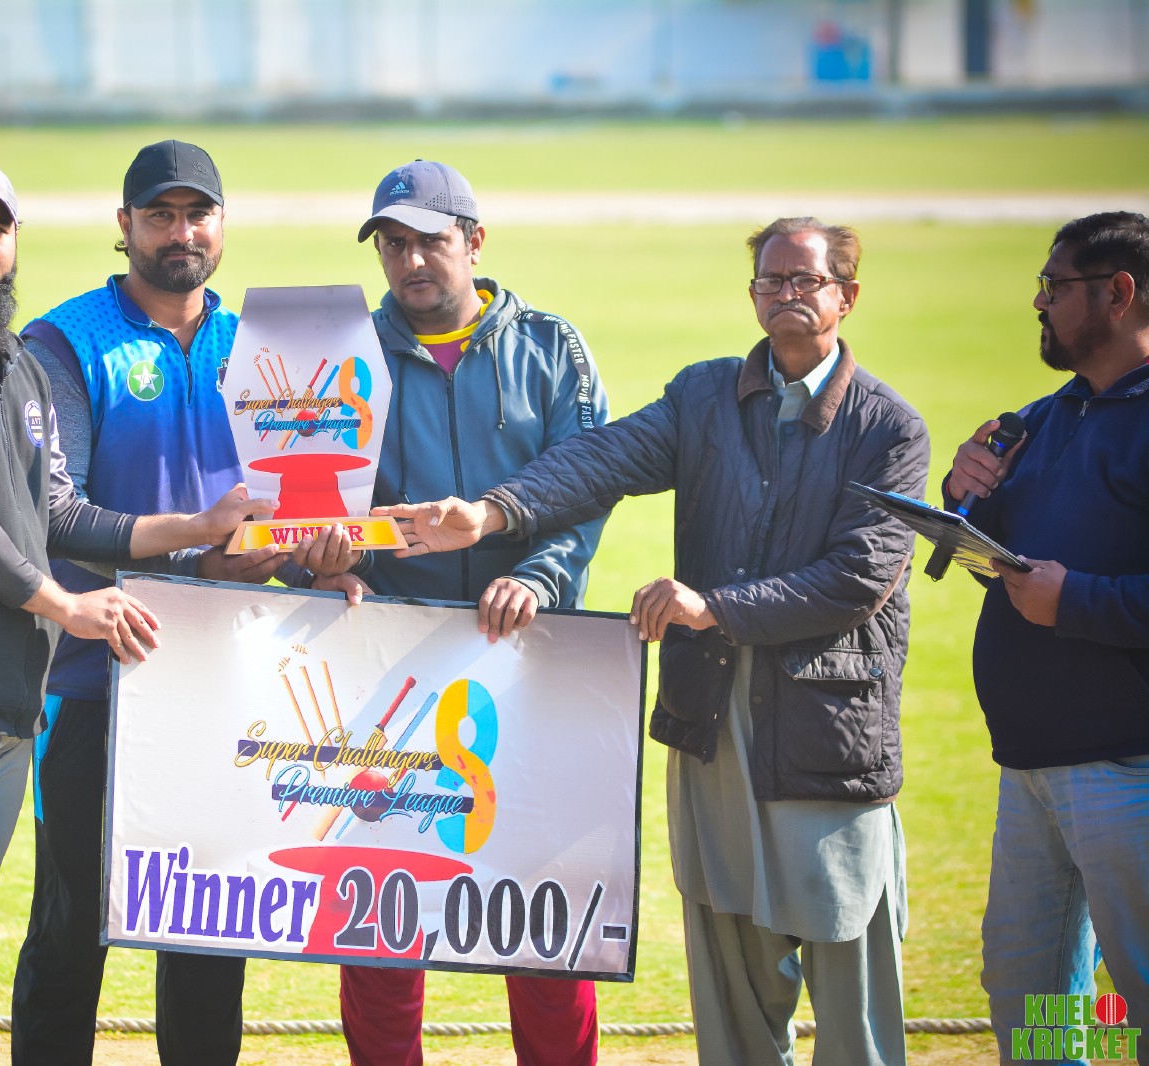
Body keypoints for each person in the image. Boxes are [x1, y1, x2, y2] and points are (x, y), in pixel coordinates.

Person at [381, 218, 928, 1066]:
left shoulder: (889, 428)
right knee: (731, 982)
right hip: (712, 723)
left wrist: (713, 607)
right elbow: (598, 461)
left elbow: (857, 578)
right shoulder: (704, 398)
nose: (785, 294)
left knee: (846, 970)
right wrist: (489, 513)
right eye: (770, 280)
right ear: (751, 295)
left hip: (825, 736)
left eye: (806, 281)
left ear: (846, 297)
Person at [0, 157, 269, 1066]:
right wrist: (67, 605)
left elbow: (58, 515)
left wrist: (208, 537)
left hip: (38, 685)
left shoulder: (8, 363)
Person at [8, 140, 351, 1066]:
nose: (180, 232)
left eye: (197, 214)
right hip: (94, 682)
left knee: (207, 934)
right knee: (70, 928)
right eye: (158, 215)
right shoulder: (65, 342)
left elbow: (287, 511)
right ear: (123, 226)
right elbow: (55, 515)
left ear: (222, 224)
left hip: (227, 684)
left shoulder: (262, 348)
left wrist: (315, 563)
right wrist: (200, 543)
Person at [309, 159, 610, 1065]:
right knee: (376, 914)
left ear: (473, 242)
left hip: (527, 661)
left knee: (543, 917)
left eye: (429, 241)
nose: (409, 261)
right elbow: (318, 502)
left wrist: (542, 578)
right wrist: (329, 568)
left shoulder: (552, 346)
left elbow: (587, 485)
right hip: (387, 672)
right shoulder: (343, 354)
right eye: (391, 244)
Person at [945, 211, 1149, 1060]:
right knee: (1029, 1000)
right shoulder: (1040, 417)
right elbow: (995, 557)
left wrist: (1076, 603)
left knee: (1137, 996)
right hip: (1027, 771)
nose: (1037, 302)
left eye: (1054, 286)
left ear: (1118, 293)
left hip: (1126, 771)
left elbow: (1060, 593)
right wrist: (962, 498)